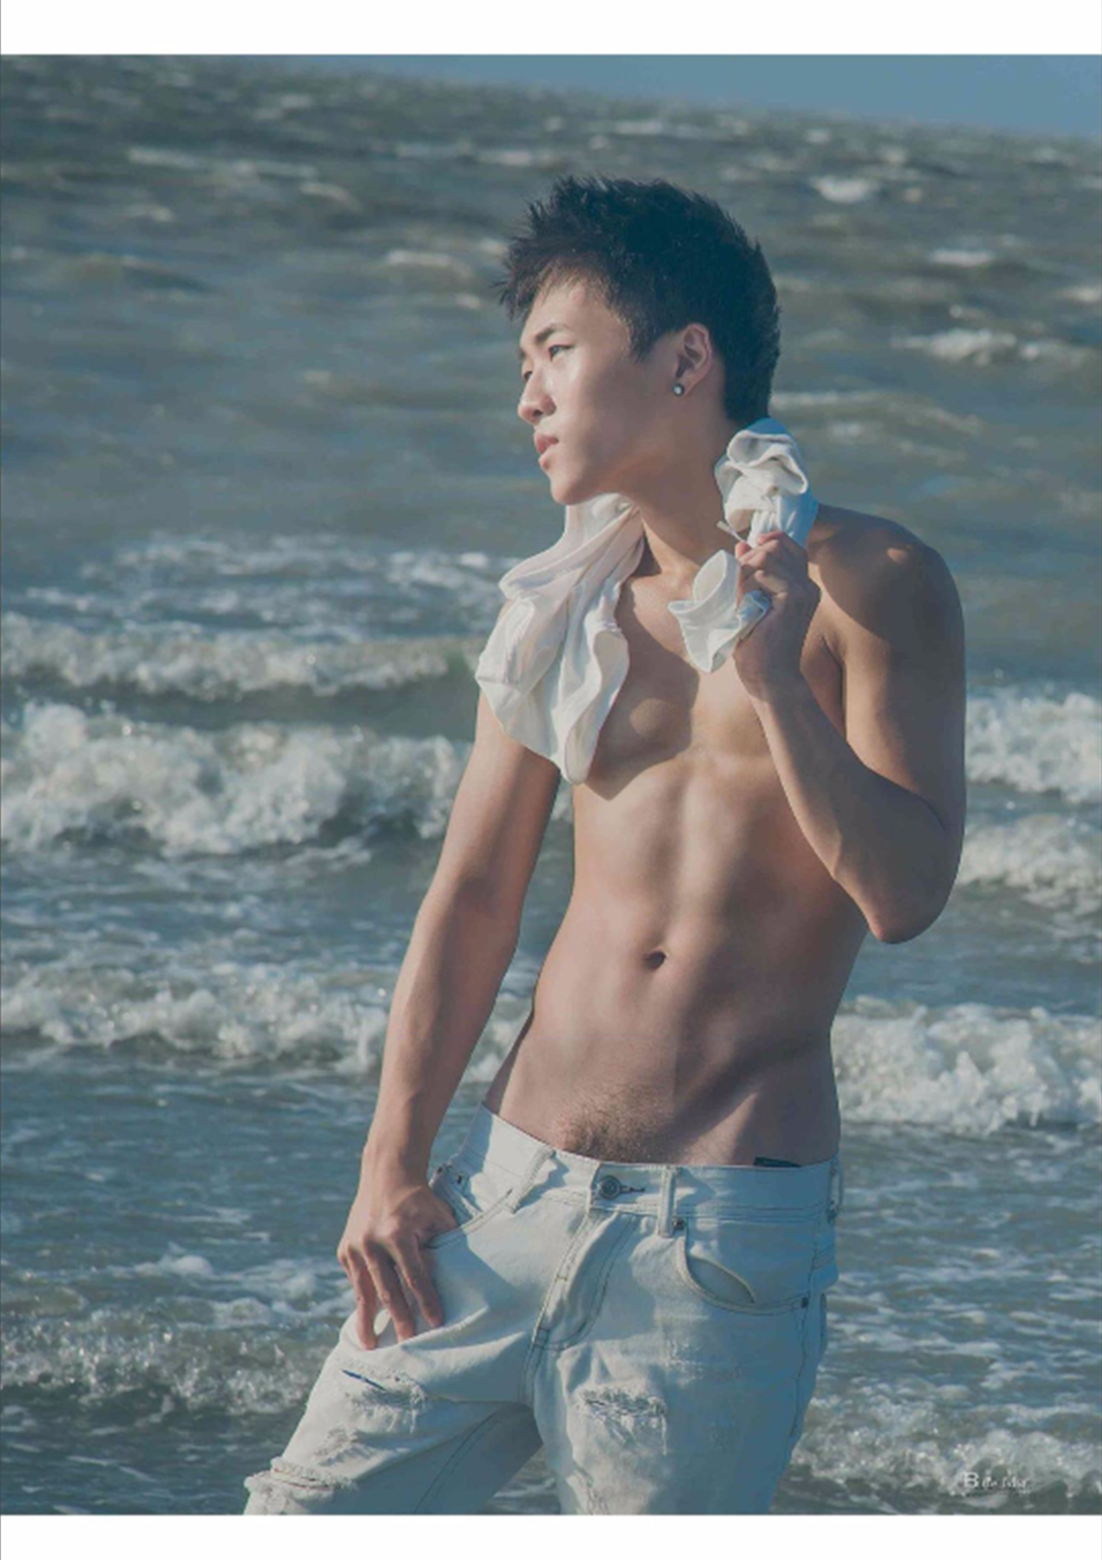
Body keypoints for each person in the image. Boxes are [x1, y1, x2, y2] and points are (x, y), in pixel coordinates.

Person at [243, 174, 966, 1515]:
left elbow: (904, 893)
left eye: (555, 353)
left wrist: (774, 681)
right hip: (496, 1198)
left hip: (710, 1245)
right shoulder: (559, 606)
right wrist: (389, 1162)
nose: (526, 398)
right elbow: (472, 896)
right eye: (523, 365)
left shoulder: (872, 586)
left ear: (684, 361)